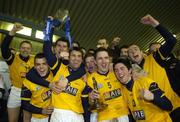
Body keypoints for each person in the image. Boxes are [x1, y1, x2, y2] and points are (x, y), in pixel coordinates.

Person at [128, 14, 180, 121]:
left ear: (142, 52)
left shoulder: (155, 57)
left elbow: (171, 40)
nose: (133, 52)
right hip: (156, 115)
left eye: (135, 49)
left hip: (174, 108)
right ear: (129, 57)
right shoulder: (132, 72)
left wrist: (154, 23)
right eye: (130, 52)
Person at [1, 23, 34, 122]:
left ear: (31, 50)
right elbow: (4, 48)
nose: (25, 50)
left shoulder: (35, 60)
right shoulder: (12, 58)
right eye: (23, 47)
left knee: (27, 120)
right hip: (15, 91)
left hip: (30, 91)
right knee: (12, 120)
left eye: (28, 48)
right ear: (20, 49)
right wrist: (13, 31)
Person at [88, 48, 130, 122]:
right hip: (104, 117)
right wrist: (91, 99)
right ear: (95, 61)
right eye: (100, 58)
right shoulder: (90, 79)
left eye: (106, 58)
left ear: (109, 59)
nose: (104, 61)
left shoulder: (117, 72)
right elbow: (92, 103)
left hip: (123, 115)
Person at [21, 53, 54, 122]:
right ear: (34, 66)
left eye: (44, 64)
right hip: (38, 118)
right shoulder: (27, 82)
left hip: (55, 116)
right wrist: (41, 111)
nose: (41, 67)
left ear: (48, 65)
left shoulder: (54, 75)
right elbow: (24, 104)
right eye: (38, 64)